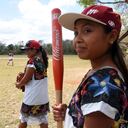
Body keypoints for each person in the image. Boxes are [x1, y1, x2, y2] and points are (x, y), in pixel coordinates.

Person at [52, 5, 128, 128]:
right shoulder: (100, 74)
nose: (77, 39)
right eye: (76, 32)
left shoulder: (102, 84)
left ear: (112, 36)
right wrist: (70, 114)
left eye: (87, 30)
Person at [15, 40, 49, 128]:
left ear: (34, 50)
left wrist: (18, 84)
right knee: (43, 121)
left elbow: (25, 80)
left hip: (32, 97)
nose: (26, 52)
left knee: (23, 120)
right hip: (43, 97)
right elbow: (33, 77)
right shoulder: (43, 61)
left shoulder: (32, 61)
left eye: (28, 50)